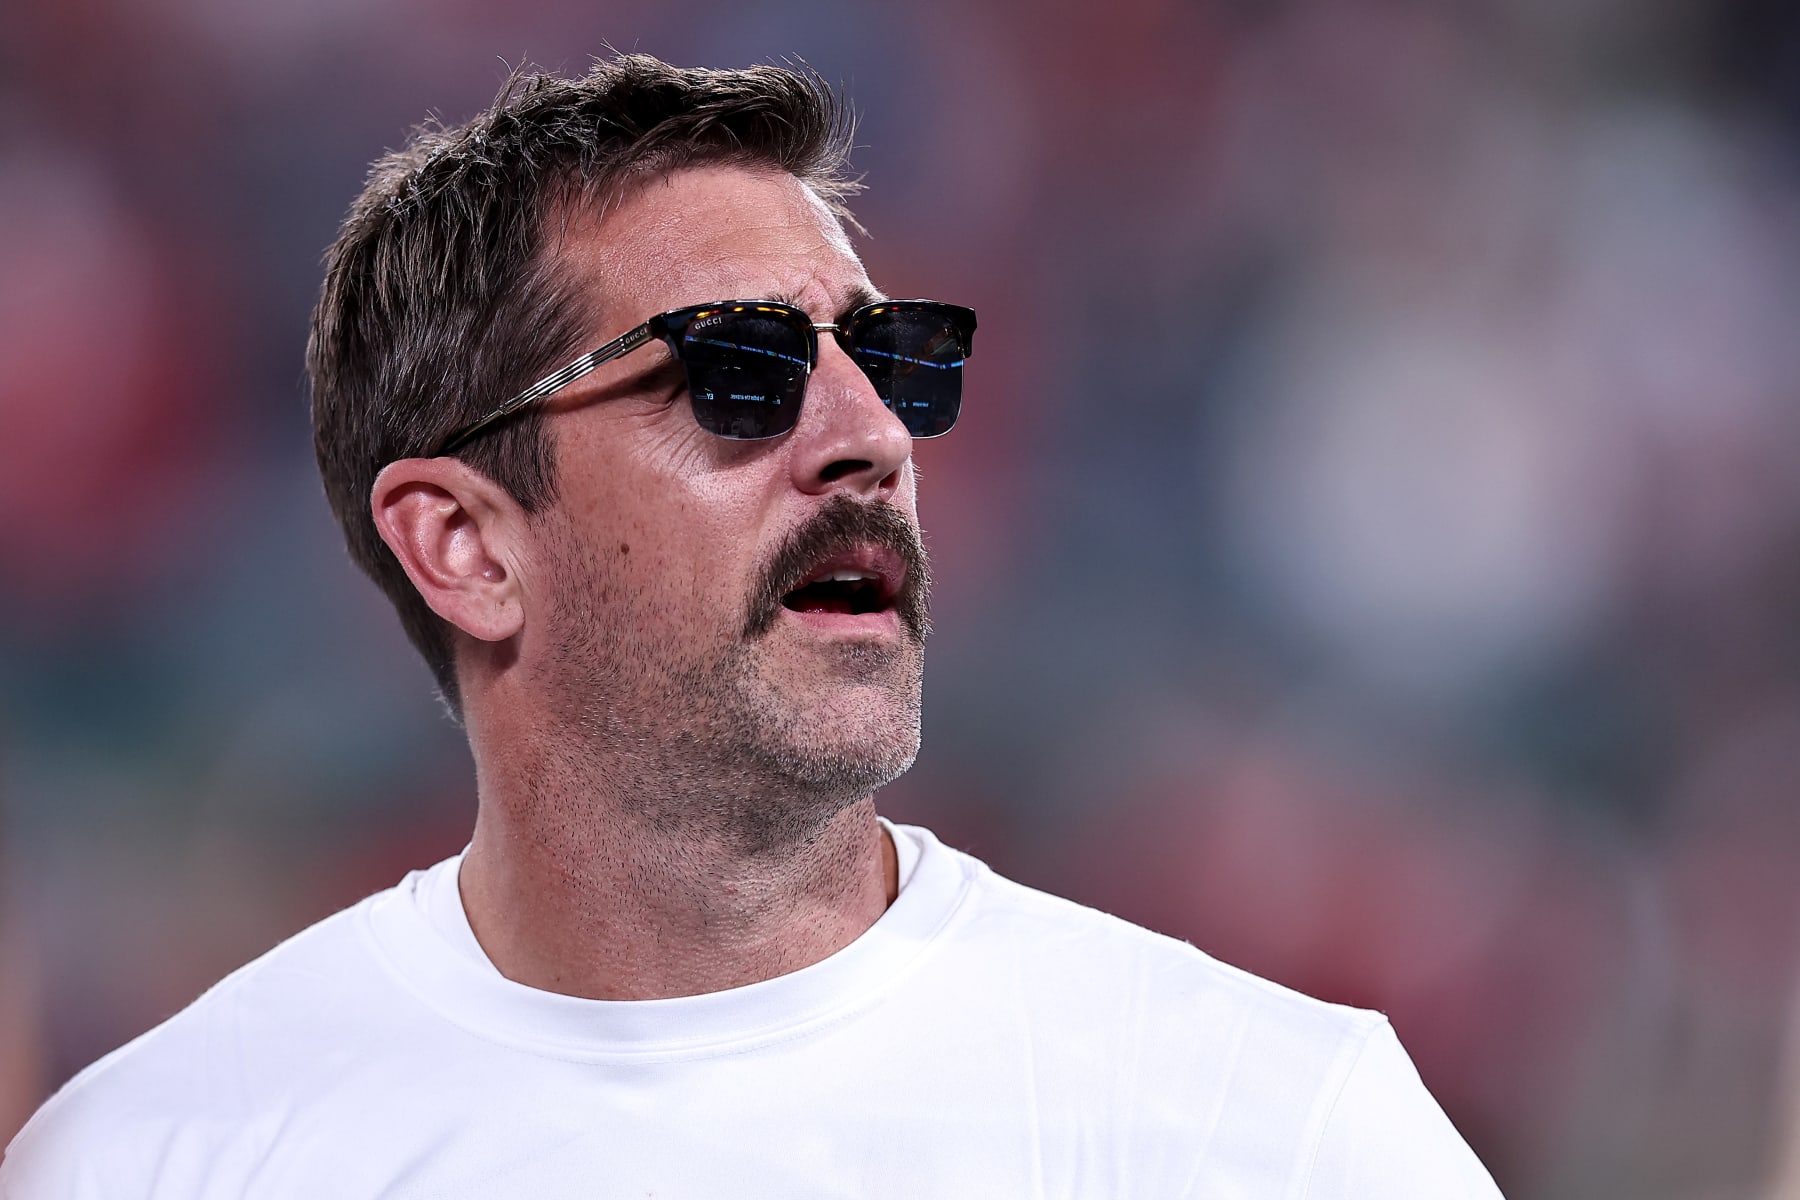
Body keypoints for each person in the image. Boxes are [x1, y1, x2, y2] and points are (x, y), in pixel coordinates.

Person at [1, 54, 1503, 1197]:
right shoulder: (161, 1161)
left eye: (894, 360)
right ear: (461, 545)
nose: (872, 437)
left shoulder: (1273, 1133)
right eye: (741, 369)